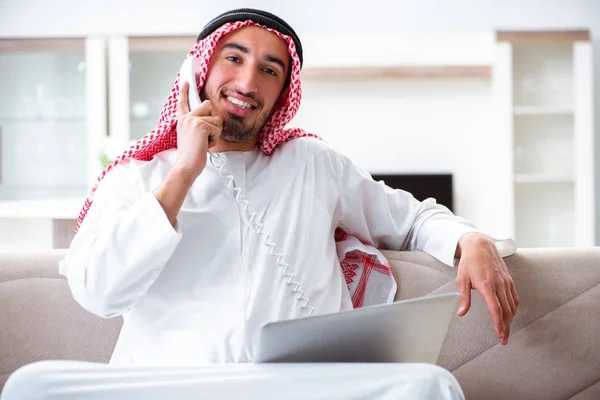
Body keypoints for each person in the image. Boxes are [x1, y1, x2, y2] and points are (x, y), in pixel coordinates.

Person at [1, 8, 518, 400]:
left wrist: (467, 239)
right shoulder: (140, 177)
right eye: (234, 58)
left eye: (270, 70)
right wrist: (184, 172)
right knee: (31, 385)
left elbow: (413, 218)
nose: (248, 82)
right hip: (172, 385)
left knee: (430, 386)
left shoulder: (312, 164)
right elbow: (97, 292)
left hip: (298, 387)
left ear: (282, 92)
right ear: (196, 74)